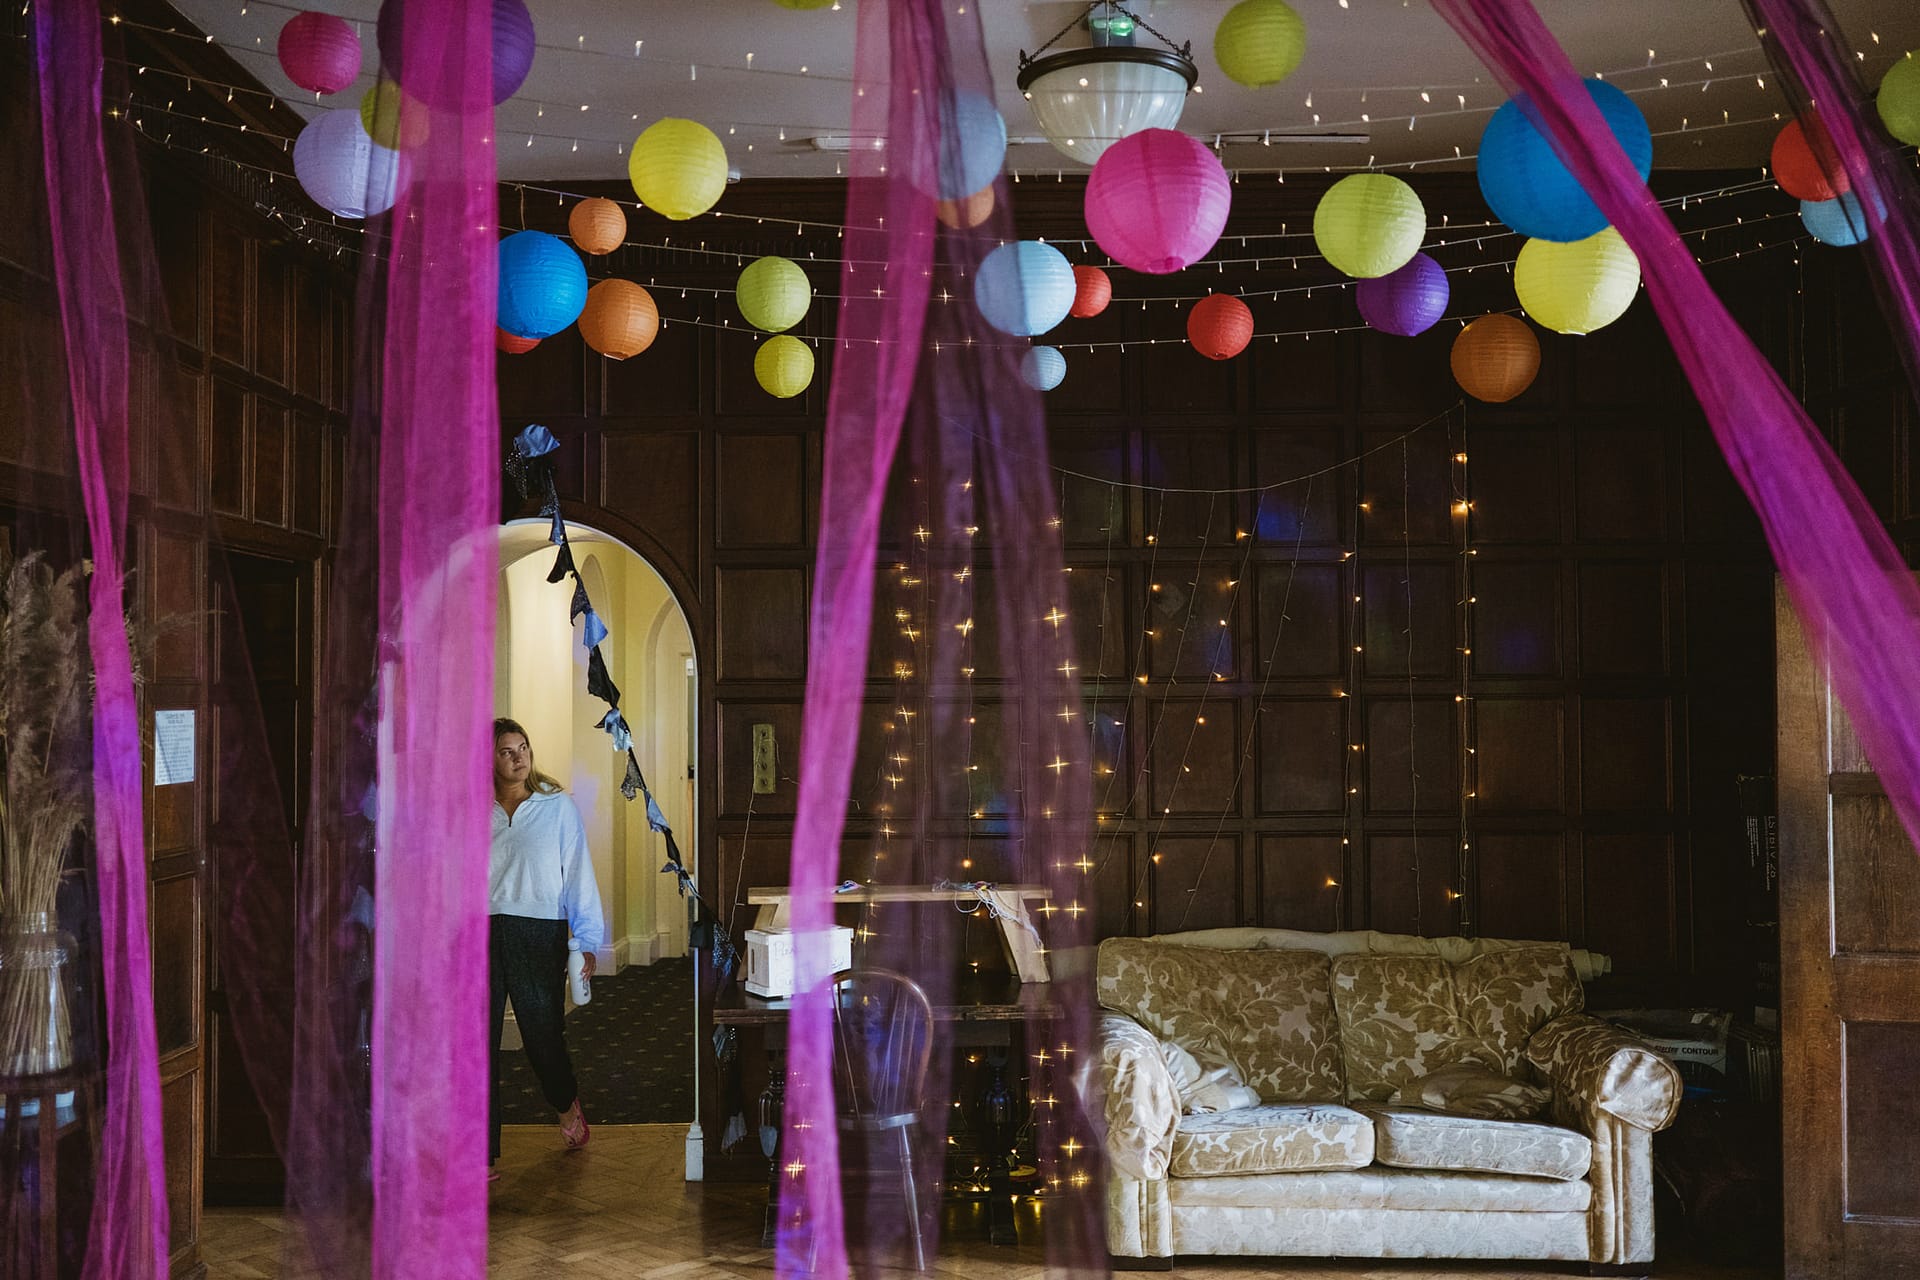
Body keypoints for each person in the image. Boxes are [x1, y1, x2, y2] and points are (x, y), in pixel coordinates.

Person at [489, 717, 604, 1179]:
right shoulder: (472, 808)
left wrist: (588, 938)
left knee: (542, 1039)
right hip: (480, 930)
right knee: (477, 1042)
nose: (519, 757)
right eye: (507, 751)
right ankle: (479, 1153)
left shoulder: (556, 806)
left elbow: (578, 872)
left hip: (540, 933)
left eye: (523, 747)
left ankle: (564, 1102)